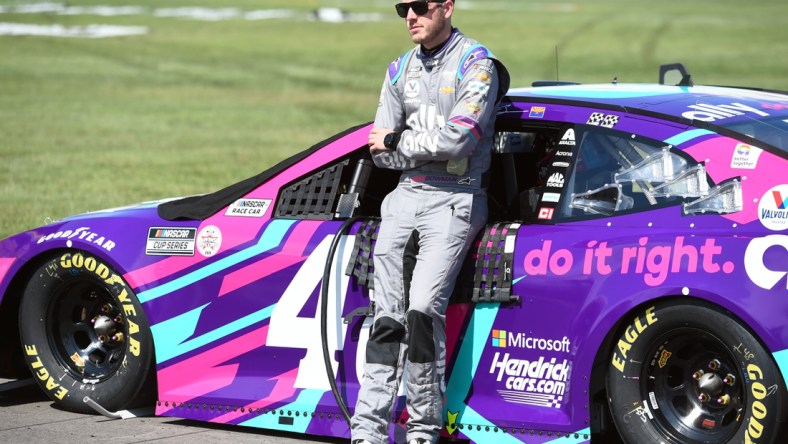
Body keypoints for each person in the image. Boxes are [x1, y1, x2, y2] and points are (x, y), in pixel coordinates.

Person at [351, 1, 509, 443]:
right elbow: (378, 150)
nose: (410, 16)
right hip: (404, 196)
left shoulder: (478, 63)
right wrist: (411, 146)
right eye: (403, 8)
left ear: (447, 8)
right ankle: (367, 432)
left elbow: (461, 139)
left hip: (456, 198)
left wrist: (402, 140)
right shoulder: (399, 68)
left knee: (422, 310)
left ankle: (423, 429)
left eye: (419, 6)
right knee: (387, 317)